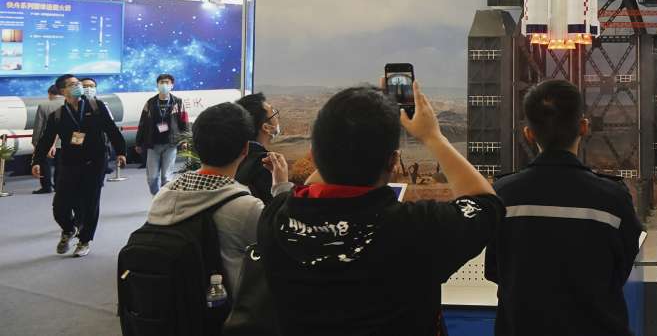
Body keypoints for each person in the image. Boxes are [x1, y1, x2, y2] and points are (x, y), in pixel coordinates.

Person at [255, 82, 503, 335]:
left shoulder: (275, 219)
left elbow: (309, 189)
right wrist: (432, 137)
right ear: (394, 161)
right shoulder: (418, 229)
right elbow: (486, 203)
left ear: (314, 156)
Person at [485, 79, 643, 336]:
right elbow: (622, 268)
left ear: (528, 133)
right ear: (583, 127)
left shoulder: (502, 196)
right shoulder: (613, 200)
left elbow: (495, 269)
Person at [146, 102, 290, 293]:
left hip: (172, 307)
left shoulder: (164, 194)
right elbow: (284, 243)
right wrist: (281, 187)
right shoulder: (245, 208)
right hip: (223, 313)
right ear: (245, 149)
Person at [30, 74, 126, 257]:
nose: (78, 86)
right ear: (62, 91)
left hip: (95, 163)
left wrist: (121, 151)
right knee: (60, 207)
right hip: (69, 164)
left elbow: (112, 130)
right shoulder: (57, 115)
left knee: (90, 203)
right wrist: (36, 161)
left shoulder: (96, 107)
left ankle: (84, 240)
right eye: (73, 84)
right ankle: (68, 229)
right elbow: (45, 140)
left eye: (78, 83)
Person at [136, 73, 188, 195]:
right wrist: (138, 142)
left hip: (171, 144)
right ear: (157, 85)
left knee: (166, 177)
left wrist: (185, 140)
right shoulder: (150, 103)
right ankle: (155, 197)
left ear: (172, 85)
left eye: (167, 83)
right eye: (162, 82)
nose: (164, 85)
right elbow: (142, 123)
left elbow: (184, 122)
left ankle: (163, 200)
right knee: (152, 177)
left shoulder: (178, 102)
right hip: (153, 144)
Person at [234, 92, 281, 203]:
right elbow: (275, 211)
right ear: (266, 127)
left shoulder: (234, 158)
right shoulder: (267, 164)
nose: (277, 117)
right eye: (273, 113)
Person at [31, 83, 63, 194]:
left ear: (49, 93)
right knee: (61, 165)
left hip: (47, 141)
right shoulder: (68, 103)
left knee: (45, 164)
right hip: (65, 142)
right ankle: (59, 186)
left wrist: (35, 142)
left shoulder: (44, 106)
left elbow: (38, 126)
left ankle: (46, 187)